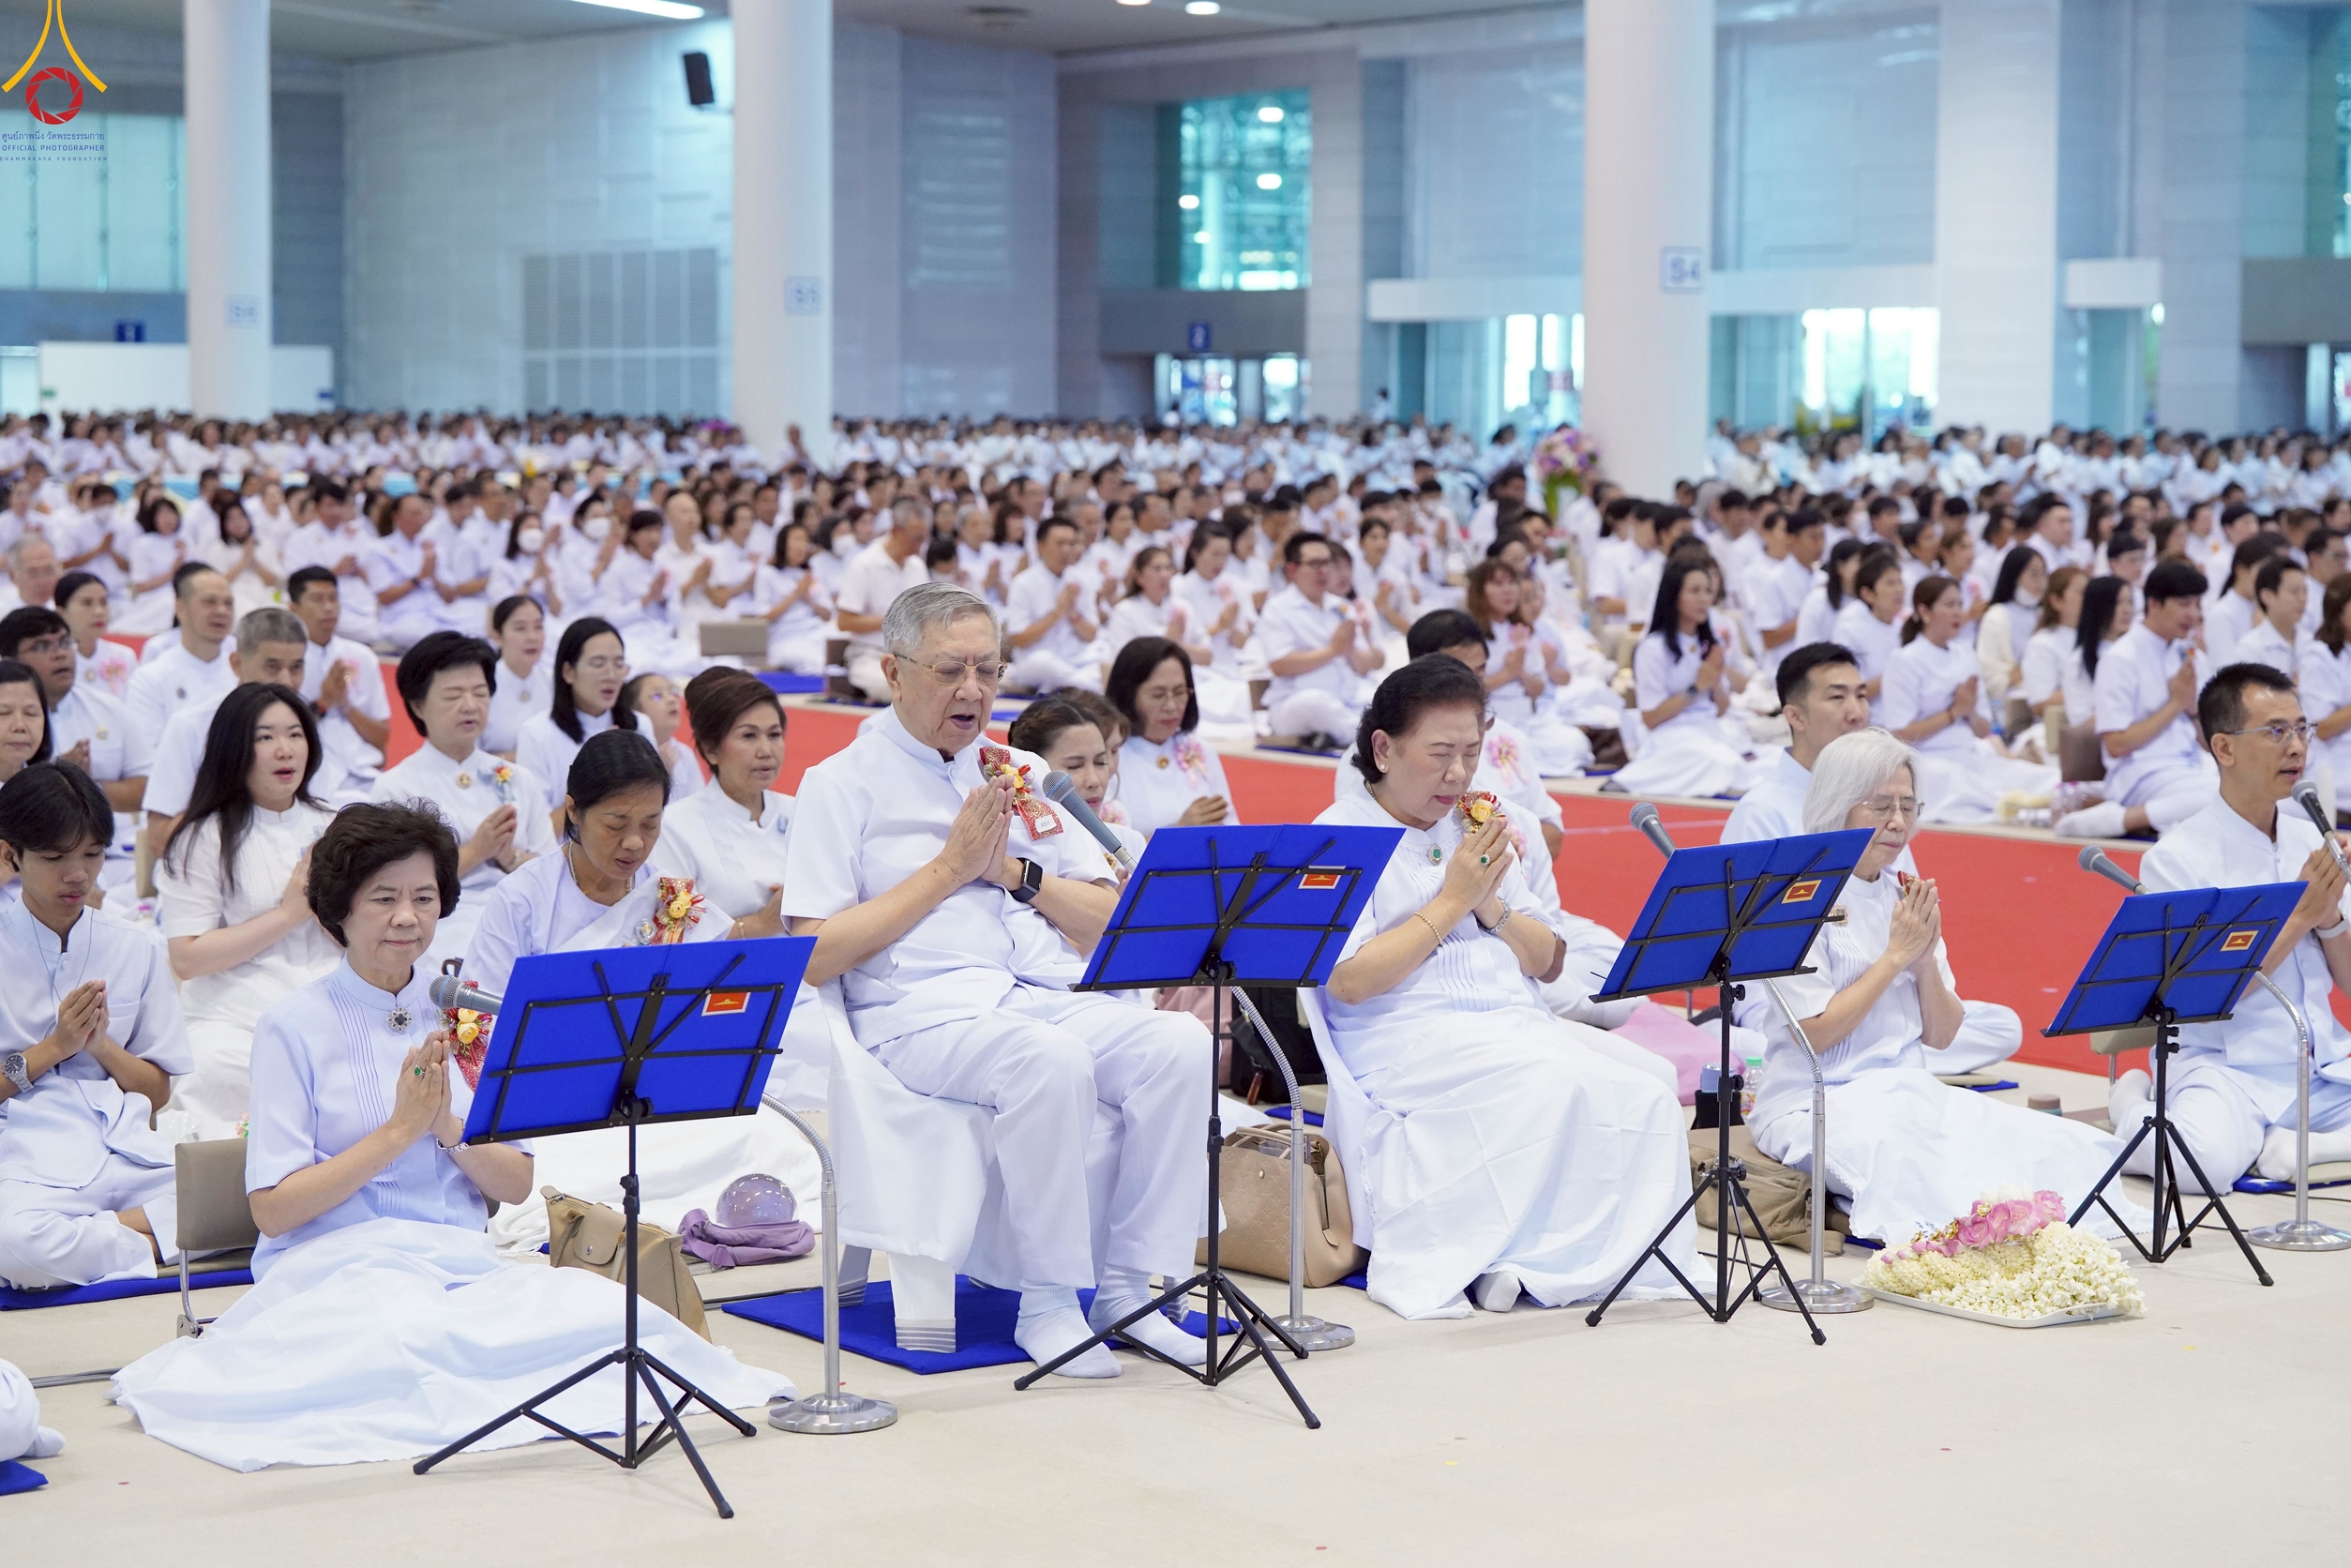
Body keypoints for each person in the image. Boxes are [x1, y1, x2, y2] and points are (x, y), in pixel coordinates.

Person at [112, 802, 787, 1470]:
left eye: (424, 898)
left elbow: (515, 1184)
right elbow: (273, 1211)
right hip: (339, 1268)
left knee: (604, 1315)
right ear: (338, 909)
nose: (407, 917)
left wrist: (445, 1129)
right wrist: (399, 1131)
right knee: (403, 1335)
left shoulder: (467, 1012)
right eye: (384, 899)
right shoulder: (292, 1027)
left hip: (462, 1264)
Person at [782, 581, 1213, 1377]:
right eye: (950, 670)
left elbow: (1109, 919)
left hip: (1028, 995)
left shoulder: (1020, 771)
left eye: (988, 669)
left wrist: (1014, 873)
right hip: (915, 1016)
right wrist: (949, 869)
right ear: (893, 672)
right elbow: (811, 953)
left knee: (1179, 1045)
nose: (973, 689)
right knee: (1049, 1062)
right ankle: (1047, 1302)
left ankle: (1129, 1291)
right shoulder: (840, 783)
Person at [1313, 656, 1694, 1319]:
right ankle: (1504, 1257)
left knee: (1650, 1086)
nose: (1459, 774)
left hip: (1510, 1019)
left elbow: (1549, 960)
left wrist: (1491, 907)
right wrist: (1453, 900)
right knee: (1549, 1080)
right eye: (1440, 754)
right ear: (1383, 749)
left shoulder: (1473, 826)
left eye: (1471, 753)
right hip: (1405, 1036)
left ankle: (1579, 1259)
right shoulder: (1338, 835)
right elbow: (1349, 983)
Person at [1751, 728, 2133, 1244]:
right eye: (1881, 806)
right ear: (1836, 804)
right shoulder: (1794, 900)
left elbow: (1943, 1034)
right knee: (1917, 1168)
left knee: (2069, 1148)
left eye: (1908, 806)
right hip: (1819, 1101)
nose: (1898, 821)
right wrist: (1895, 958)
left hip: (1908, 1091)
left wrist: (1925, 961)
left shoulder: (1904, 895)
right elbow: (1812, 1036)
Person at [464, 730, 807, 1252]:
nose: (634, 843)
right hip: (556, 1099)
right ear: (574, 811)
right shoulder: (522, 899)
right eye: (616, 824)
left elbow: (715, 1001)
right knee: (558, 1171)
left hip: (648, 1098)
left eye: (650, 824)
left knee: (764, 1136)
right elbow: (476, 1020)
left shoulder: (669, 897)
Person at [1722, 641, 2024, 1076]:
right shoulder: (1762, 811)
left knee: (2000, 1025)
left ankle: (1890, 1049)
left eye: (1862, 695)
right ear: (1795, 716)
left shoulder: (1889, 816)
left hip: (1888, 991)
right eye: (1837, 696)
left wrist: (1918, 957)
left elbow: (1899, 902)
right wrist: (1893, 961)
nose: (1856, 711)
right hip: (1790, 997)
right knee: (1791, 1041)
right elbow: (1750, 946)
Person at [2129, 664, 2351, 1186]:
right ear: (2224, 748)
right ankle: (2130, 1103)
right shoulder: (2176, 858)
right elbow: (2199, 995)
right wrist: (2300, 916)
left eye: (2302, 729)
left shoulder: (2311, 841)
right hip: (2227, 1071)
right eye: (2276, 731)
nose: (2296, 747)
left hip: (2320, 1069)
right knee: (2193, 1167)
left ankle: (2301, 1151)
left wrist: (2330, 917)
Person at [0, 763, 189, 1289]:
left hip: (129, 1150)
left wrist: (103, 1047)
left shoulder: (135, 946)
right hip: (32, 1157)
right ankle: (158, 1239)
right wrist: (55, 1047)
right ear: (11, 854)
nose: (78, 875)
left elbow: (157, 1093)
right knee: (13, 1244)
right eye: (55, 858)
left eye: (92, 855)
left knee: (252, 1200)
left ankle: (105, 1235)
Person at [154, 683, 340, 1141]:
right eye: (265, 737)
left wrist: (334, 917)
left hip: (333, 1001)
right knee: (214, 1070)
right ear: (234, 749)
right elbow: (187, 957)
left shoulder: (336, 825)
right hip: (235, 1015)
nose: (285, 749)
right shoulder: (201, 837)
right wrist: (287, 915)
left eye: (295, 734)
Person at [371, 633, 556, 966]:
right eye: (453, 695)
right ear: (418, 706)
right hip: (442, 927)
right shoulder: (396, 787)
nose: (470, 705)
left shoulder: (518, 778)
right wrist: (476, 851)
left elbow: (550, 873)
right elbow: (394, 888)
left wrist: (509, 856)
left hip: (523, 919)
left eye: (480, 693)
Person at [137, 608, 314, 870]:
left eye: (296, 667)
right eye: (272, 667)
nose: (286, 681)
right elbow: (159, 840)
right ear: (237, 664)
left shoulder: (304, 726)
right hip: (212, 869)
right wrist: (233, 796)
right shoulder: (191, 726)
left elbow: (314, 812)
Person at [2059, 559, 2219, 838]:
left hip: (2193, 764)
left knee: (2265, 796)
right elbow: (2116, 745)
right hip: (2140, 771)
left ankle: (2135, 820)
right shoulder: (2121, 658)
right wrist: (2174, 705)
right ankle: (2122, 818)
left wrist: (2193, 710)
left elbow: (2210, 743)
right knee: (2218, 801)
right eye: (2184, 604)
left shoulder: (2191, 656)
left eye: (2197, 604)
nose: (2193, 614)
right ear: (2154, 604)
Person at [1880, 575, 2058, 821]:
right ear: (1924, 612)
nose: (1958, 612)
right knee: (1959, 786)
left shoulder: (1965, 654)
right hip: (1929, 758)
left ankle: (2029, 805)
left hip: (1970, 753)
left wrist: (1970, 711)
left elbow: (1983, 730)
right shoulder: (1904, 660)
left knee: (2040, 777)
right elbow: (1900, 734)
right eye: (1949, 605)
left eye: (1959, 604)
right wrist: (1953, 713)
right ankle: (2016, 809)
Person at [647, 668, 791, 929]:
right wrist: (762, 923)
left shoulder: (802, 810)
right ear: (711, 749)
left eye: (774, 735)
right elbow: (671, 929)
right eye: (749, 736)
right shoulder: (675, 826)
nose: (766, 751)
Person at [1607, 556, 1756, 798]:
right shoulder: (1653, 648)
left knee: (1764, 759)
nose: (1704, 599)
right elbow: (1651, 718)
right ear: (1674, 596)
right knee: (1722, 763)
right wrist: (1696, 687)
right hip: (1674, 734)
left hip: (1711, 728)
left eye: (1707, 591)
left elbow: (1721, 709)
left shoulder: (1709, 645)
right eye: (1694, 591)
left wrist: (1715, 682)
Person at [1258, 532, 1383, 747]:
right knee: (1316, 704)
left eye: (1327, 563)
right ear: (1292, 570)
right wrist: (1333, 650)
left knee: (1383, 696)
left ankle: (1364, 738)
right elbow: (1280, 664)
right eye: (1315, 564)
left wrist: (1349, 649)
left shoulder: (1342, 607)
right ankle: (1369, 743)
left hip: (1347, 695)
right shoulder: (1277, 608)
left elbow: (1363, 666)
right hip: (1294, 700)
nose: (1323, 570)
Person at [1103, 636, 1234, 837]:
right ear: (1128, 696)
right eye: (1158, 695)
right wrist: (1180, 831)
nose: (1172, 706)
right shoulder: (1108, 757)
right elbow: (1106, 850)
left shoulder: (1200, 751)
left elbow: (1231, 828)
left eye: (1179, 692)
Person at [285, 566, 390, 802]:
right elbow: (278, 733)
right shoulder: (286, 661)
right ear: (293, 609)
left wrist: (344, 704)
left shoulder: (362, 657)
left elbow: (382, 736)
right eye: (317, 599)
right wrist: (323, 703)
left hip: (364, 772)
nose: (329, 607)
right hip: (309, 776)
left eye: (333, 598)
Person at [1004, 696, 1144, 870]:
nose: (1094, 780)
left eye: (1101, 762)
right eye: (1075, 766)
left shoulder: (1130, 843)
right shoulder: (1012, 854)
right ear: (1030, 771)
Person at [121, 564, 238, 757]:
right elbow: (146, 756)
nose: (221, 611)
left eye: (228, 604)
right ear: (180, 607)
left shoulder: (243, 673)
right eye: (209, 602)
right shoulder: (150, 678)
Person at [834, 499, 930, 701]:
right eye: (915, 539)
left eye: (923, 539)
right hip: (869, 655)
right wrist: (893, 620)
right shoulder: (864, 564)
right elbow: (844, 622)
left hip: (912, 656)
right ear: (895, 530)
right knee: (898, 689)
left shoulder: (917, 566)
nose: (919, 546)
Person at [1004, 515, 1103, 693]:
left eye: (1071, 544)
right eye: (1060, 544)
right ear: (1041, 546)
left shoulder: (1082, 579)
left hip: (1075, 659)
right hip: (1035, 661)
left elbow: (1091, 635)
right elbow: (1019, 639)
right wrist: (1057, 613)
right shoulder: (1023, 583)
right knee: (1044, 662)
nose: (1066, 550)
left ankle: (1066, 686)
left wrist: (1073, 613)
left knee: (1104, 654)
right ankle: (1087, 688)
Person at [481, 595, 550, 758]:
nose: (532, 637)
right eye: (520, 628)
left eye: (538, 627)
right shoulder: (482, 685)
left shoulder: (554, 681)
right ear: (497, 637)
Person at [55, 569, 134, 701]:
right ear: (61, 613)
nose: (99, 612)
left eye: (103, 602)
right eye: (87, 603)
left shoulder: (124, 656)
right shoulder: (55, 660)